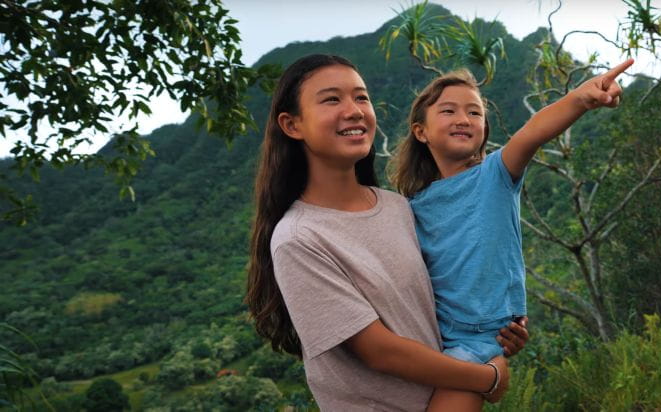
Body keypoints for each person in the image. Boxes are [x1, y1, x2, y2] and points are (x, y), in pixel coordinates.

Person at [244, 54, 529, 411]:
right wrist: (488, 377)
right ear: (292, 124)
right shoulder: (300, 238)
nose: (354, 110)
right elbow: (379, 352)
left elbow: (448, 295)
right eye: (332, 99)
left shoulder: (398, 208)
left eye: (361, 97)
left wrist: (496, 331)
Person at [390, 59, 634, 409]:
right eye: (448, 111)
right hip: (426, 337)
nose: (463, 119)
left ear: (484, 130)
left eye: (474, 113)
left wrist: (581, 98)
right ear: (420, 131)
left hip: (476, 340)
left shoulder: (495, 176)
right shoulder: (410, 206)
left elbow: (533, 131)